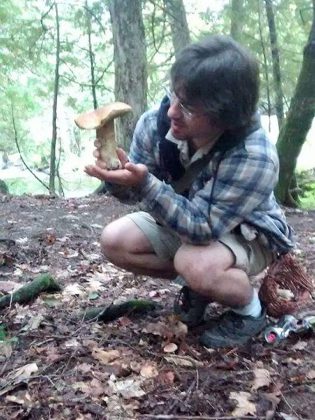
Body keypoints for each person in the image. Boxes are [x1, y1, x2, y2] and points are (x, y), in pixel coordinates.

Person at [85, 35, 294, 348]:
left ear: (225, 115)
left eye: (188, 107)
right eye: (174, 95)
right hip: (181, 218)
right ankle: (201, 287)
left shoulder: (254, 155)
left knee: (194, 262)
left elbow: (203, 228)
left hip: (245, 232)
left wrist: (145, 183)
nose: (172, 112)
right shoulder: (155, 125)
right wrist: (118, 179)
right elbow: (136, 194)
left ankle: (250, 310)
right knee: (114, 241)